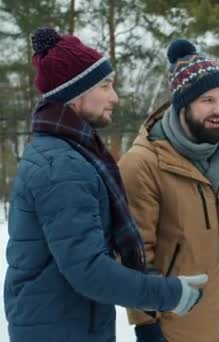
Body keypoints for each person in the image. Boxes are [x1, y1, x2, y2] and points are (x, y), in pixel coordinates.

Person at [4, 28, 206, 342]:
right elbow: (89, 271)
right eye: (105, 85)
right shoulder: (63, 168)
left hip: (65, 323)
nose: (115, 97)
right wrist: (168, 294)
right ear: (74, 94)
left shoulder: (70, 154)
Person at [118, 39, 219, 342]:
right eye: (208, 100)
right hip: (176, 318)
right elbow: (134, 254)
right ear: (182, 104)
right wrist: (145, 322)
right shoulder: (142, 163)